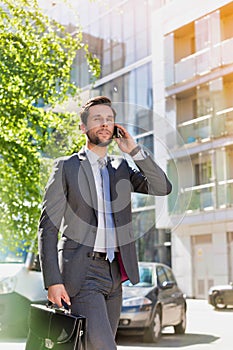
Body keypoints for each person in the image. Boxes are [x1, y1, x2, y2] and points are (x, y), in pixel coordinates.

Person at [38, 96, 172, 350]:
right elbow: (48, 227)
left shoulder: (121, 168)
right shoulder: (65, 168)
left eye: (109, 119)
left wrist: (134, 151)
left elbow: (162, 187)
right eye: (97, 119)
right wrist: (53, 280)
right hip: (82, 272)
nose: (104, 124)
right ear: (83, 127)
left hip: (115, 273)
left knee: (95, 346)